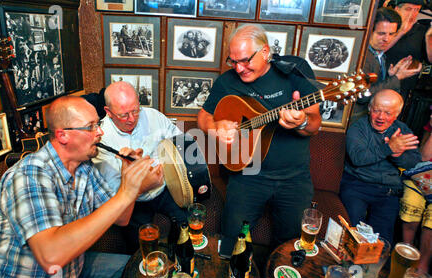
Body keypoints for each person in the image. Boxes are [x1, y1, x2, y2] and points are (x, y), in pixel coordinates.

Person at [0, 96, 153, 278]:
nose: (100, 132)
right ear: (63, 135)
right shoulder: (29, 175)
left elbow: (122, 218)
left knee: (143, 271)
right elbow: (51, 257)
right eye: (90, 127)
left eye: (97, 124)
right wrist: (127, 192)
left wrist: (128, 177)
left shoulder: (85, 169)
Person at [197, 24, 322, 258]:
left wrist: (302, 121)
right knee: (230, 241)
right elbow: (203, 116)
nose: (239, 68)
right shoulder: (227, 82)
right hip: (247, 175)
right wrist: (215, 128)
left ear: (265, 52)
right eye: (232, 61)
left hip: (293, 177)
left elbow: (315, 125)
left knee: (291, 247)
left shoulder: (294, 73)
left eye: (245, 60)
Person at [92, 81, 188, 254]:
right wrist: (136, 177)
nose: (132, 119)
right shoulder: (101, 140)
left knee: (184, 226)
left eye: (135, 110)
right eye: (124, 114)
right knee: (141, 248)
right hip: (134, 202)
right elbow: (115, 193)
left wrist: (153, 166)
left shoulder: (152, 116)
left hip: (165, 188)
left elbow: (180, 144)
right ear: (108, 112)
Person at [339, 89, 422, 246]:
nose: (381, 117)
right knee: (351, 237)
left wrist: (398, 155)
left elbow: (413, 163)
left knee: (382, 242)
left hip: (387, 191)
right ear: (370, 109)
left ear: (396, 114)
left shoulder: (402, 130)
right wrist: (389, 148)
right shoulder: (358, 128)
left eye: (388, 113)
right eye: (377, 111)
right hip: (357, 186)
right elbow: (358, 158)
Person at [351, 7, 422, 123]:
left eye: (391, 34)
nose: (387, 39)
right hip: (355, 122)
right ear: (369, 30)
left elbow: (376, 88)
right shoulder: (362, 56)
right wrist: (397, 78)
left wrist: (391, 76)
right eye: (381, 33)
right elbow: (363, 96)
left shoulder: (378, 53)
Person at [384, 0, 432, 138]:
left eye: (416, 10)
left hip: (404, 89)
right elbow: (376, 50)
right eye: (408, 9)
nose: (412, 14)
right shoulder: (387, 26)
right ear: (397, 9)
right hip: (382, 82)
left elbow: (430, 59)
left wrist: (429, 37)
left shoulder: (421, 30)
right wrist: (400, 32)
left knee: (392, 129)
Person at [399, 113, 432, 273]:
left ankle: (422, 266)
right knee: (411, 200)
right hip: (423, 175)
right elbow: (424, 157)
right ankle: (407, 254)